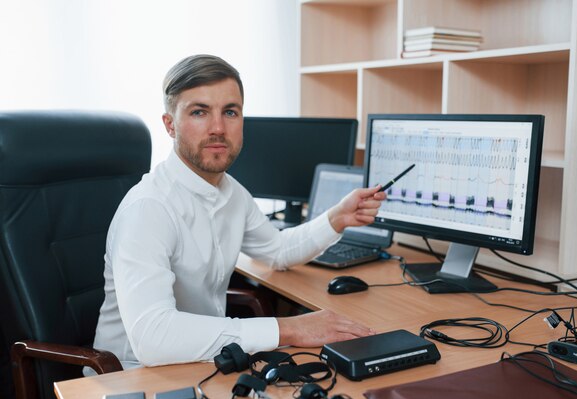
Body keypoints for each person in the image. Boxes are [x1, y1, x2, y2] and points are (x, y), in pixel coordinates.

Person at [92, 54, 386, 370]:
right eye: (199, 112)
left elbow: (278, 250)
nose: (218, 128)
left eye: (230, 112)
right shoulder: (148, 209)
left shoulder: (230, 192)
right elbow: (153, 338)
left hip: (202, 360)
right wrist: (289, 328)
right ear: (170, 125)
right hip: (130, 375)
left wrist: (336, 218)